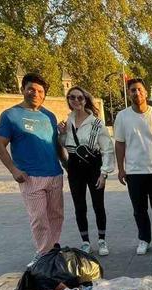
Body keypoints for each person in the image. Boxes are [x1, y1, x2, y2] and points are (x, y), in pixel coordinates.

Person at [0, 72, 67, 265]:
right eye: (31, 89)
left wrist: (65, 163)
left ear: (44, 95)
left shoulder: (49, 116)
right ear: (23, 90)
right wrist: (13, 170)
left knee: (56, 215)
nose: (35, 93)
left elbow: (55, 143)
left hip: (54, 173)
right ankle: (44, 255)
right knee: (39, 217)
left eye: (40, 91)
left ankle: (53, 250)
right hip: (30, 177)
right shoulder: (10, 115)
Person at [58, 86, 115, 256]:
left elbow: (107, 149)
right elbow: (63, 144)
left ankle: (102, 240)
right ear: (68, 100)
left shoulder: (96, 123)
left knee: (98, 204)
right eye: (72, 97)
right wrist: (61, 134)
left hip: (93, 165)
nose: (76, 101)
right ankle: (85, 241)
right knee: (79, 206)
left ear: (85, 100)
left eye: (80, 98)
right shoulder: (66, 123)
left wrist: (104, 173)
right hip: (75, 165)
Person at [114, 78, 152, 255]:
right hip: (134, 171)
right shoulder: (122, 116)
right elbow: (120, 144)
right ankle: (144, 239)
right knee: (139, 209)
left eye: (139, 89)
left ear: (145, 92)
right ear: (128, 94)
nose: (136, 93)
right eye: (132, 90)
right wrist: (121, 169)